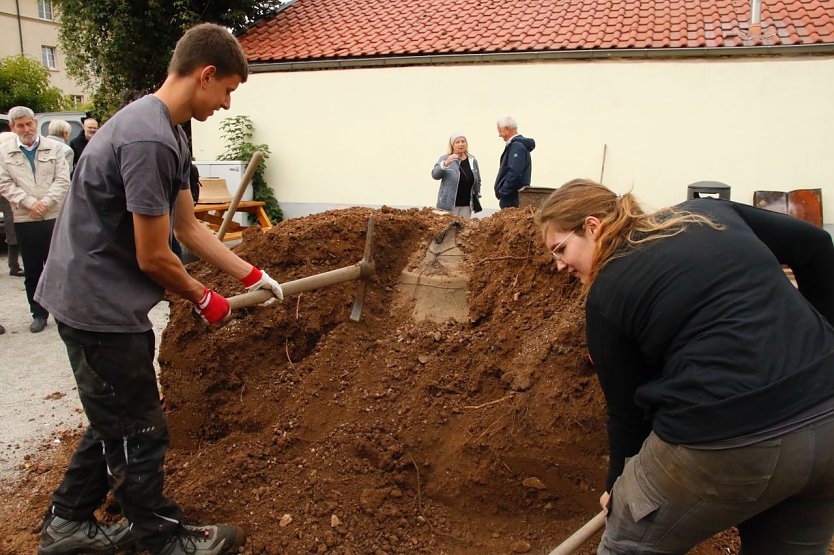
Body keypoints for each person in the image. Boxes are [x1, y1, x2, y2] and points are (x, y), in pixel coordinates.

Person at [34, 23, 283, 555]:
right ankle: (160, 537)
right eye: (229, 90)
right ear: (206, 74)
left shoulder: (166, 131)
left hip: (93, 297)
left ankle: (67, 524)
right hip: (97, 307)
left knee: (114, 418)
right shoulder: (147, 138)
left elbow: (189, 228)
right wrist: (201, 296)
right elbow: (154, 256)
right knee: (140, 428)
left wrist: (250, 274)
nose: (227, 103)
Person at [536, 178, 834, 554]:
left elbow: (628, 414)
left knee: (630, 539)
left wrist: (619, 491)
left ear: (593, 227)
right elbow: (818, 245)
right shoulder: (710, 213)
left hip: (728, 438)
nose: (559, 265)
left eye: (561, 249)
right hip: (829, 422)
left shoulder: (607, 295)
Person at [0, 106, 70, 333]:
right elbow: (4, 184)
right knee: (32, 270)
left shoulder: (56, 148)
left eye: (29, 123)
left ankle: (62, 311)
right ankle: (38, 313)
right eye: (20, 125)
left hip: (54, 216)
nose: (26, 129)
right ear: (13, 128)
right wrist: (31, 203)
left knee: (58, 267)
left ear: (35, 123)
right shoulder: (4, 152)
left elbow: (63, 179)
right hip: (26, 218)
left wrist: (46, 203)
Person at [430, 132, 482, 218]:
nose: (461, 144)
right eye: (457, 142)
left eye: (463, 141)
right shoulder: (445, 158)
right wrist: (446, 163)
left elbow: (478, 179)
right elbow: (435, 175)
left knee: (464, 230)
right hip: (448, 206)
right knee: (449, 231)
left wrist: (477, 193)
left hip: (466, 206)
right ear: (452, 145)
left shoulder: (472, 160)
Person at [493, 116, 535, 209]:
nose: (499, 135)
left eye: (500, 130)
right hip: (514, 196)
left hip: (512, 198)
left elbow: (515, 172)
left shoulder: (517, 146)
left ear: (507, 129)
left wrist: (504, 192)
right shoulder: (517, 145)